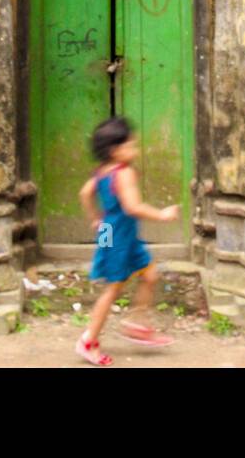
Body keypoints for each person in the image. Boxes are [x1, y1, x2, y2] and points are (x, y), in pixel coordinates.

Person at [76, 116, 179, 366]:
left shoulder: (101, 172)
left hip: (113, 231)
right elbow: (133, 207)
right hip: (119, 235)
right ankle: (88, 340)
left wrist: (96, 218)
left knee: (150, 274)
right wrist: (162, 215)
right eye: (131, 146)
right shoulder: (123, 173)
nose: (136, 150)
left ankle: (137, 322)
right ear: (115, 150)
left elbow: (85, 193)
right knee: (113, 288)